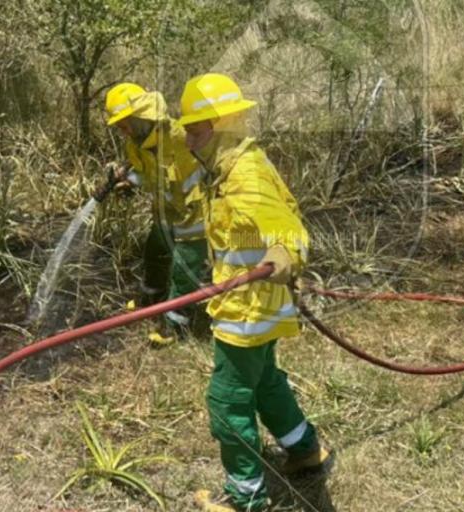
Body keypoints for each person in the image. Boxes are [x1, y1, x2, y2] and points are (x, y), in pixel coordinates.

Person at [176, 73, 331, 511]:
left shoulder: (244, 173)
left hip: (246, 311)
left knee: (227, 400)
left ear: (221, 126)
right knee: (264, 382)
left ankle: (246, 499)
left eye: (195, 130)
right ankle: (305, 449)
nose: (188, 140)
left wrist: (285, 253)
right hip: (255, 306)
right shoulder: (228, 168)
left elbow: (287, 228)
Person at [103, 83, 211, 342]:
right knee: (154, 253)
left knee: (184, 269)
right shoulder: (136, 146)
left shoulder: (181, 136)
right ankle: (152, 301)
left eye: (125, 125)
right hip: (165, 213)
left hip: (195, 216)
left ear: (140, 118)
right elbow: (146, 174)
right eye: (120, 127)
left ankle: (175, 326)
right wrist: (129, 183)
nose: (123, 132)